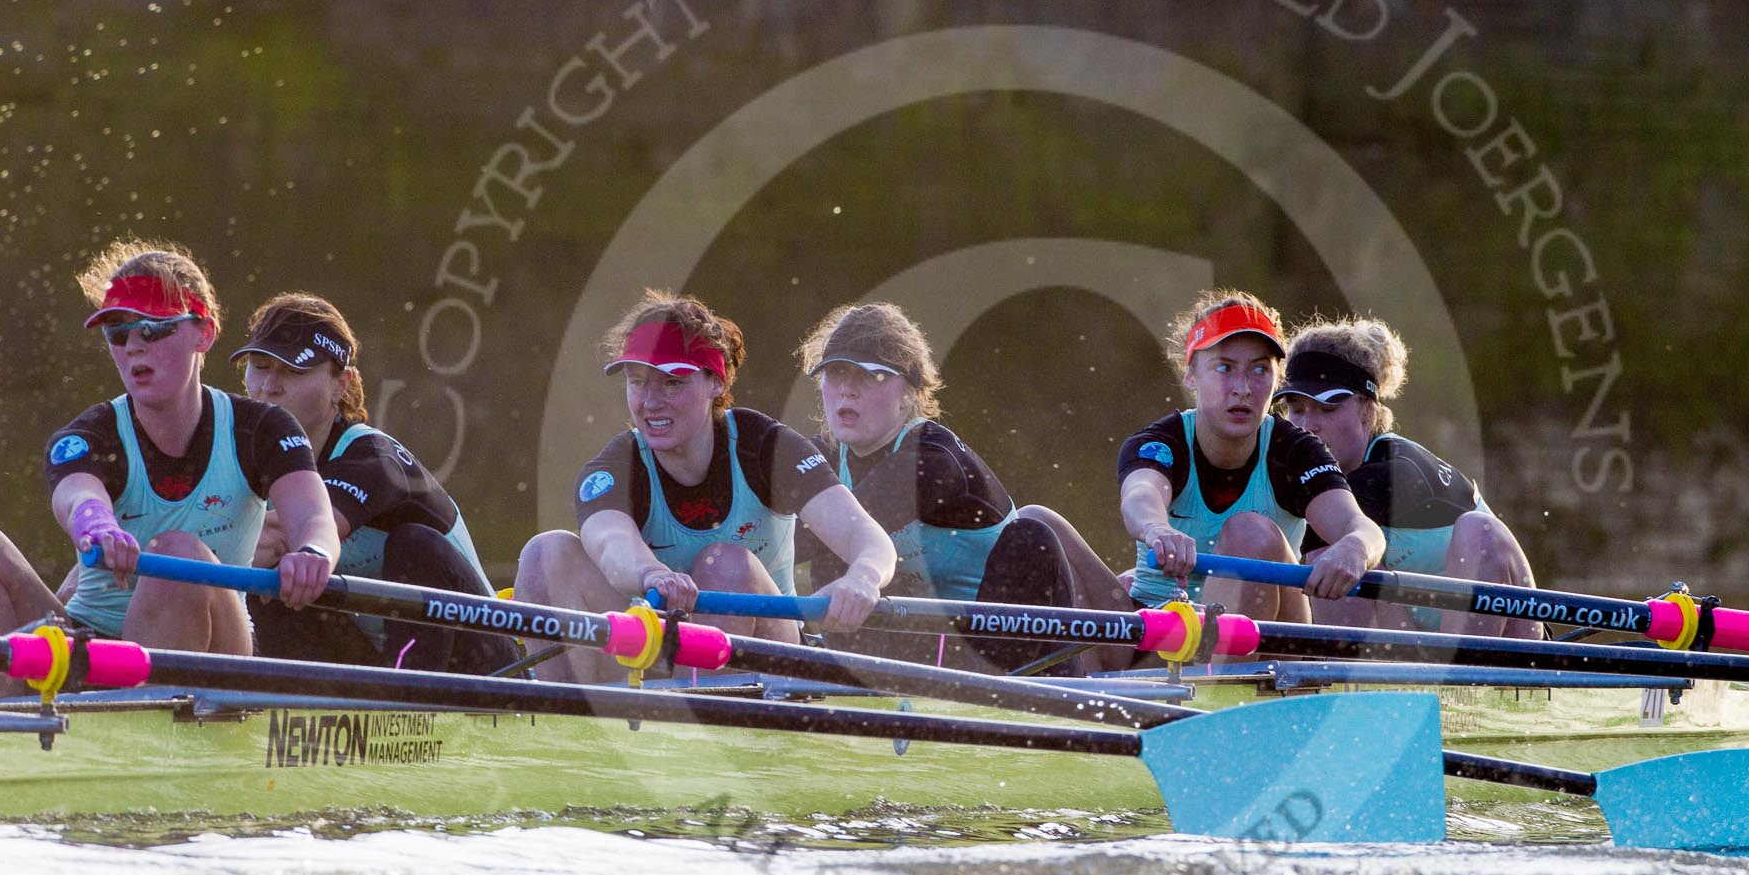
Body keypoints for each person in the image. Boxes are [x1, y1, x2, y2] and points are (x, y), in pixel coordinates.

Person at [515, 291, 896, 682]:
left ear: (715, 380)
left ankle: (695, 720)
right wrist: (651, 573)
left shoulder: (765, 448)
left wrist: (862, 577)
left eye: (672, 383)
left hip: (768, 661)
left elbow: (868, 538)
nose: (650, 402)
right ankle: (559, 715)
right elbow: (610, 541)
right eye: (638, 382)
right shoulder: (615, 467)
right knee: (545, 553)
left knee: (723, 564)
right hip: (659, 653)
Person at [793, 302, 1131, 671]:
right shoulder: (822, 457)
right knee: (831, 555)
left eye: (869, 376)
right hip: (921, 651)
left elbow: (801, 541)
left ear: (909, 392)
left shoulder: (932, 459)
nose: (847, 391)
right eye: (835, 372)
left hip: (1008, 658)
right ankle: (848, 681)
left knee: (1031, 536)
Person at [43, 241, 337, 652]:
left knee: (175, 553)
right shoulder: (91, 436)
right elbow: (77, 497)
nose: (133, 346)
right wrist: (96, 523)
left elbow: (313, 516)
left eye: (152, 328)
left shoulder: (261, 429)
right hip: (93, 645)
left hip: (218, 647)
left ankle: (149, 704)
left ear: (205, 333)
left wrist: (312, 551)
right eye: (119, 332)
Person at [232, 293, 517, 674]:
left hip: (484, 665)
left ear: (340, 384)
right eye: (260, 366)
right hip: (373, 657)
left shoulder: (372, 457)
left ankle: (406, 699)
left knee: (413, 544)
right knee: (273, 587)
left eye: (293, 372)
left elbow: (294, 528)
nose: (268, 386)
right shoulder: (247, 460)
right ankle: (277, 703)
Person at [1118, 291, 1384, 623]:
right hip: (1156, 629)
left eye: (1259, 371)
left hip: (1266, 644)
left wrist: (1356, 547)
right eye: (1224, 368)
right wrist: (1156, 527)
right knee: (1038, 523)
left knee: (1250, 531)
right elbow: (1140, 496)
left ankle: (1214, 667)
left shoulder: (1296, 452)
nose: (1242, 388)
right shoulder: (1160, 442)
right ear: (1191, 376)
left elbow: (1362, 528)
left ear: (1278, 380)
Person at [1275, 314, 1541, 638]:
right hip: (1417, 648)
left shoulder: (1396, 469)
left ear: (1366, 410)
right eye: (1297, 409)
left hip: (1511, 643)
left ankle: (1462, 680)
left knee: (1478, 529)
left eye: (1328, 408)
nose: (1308, 425)